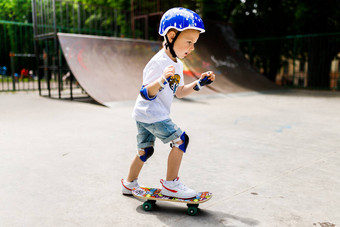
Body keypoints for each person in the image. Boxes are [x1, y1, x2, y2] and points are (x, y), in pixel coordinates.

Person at [121, 7, 215, 199]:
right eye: (188, 42)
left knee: (145, 151)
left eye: (194, 43)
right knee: (181, 140)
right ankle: (171, 184)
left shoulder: (178, 64)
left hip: (144, 114)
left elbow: (179, 92)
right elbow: (146, 92)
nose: (192, 48)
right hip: (152, 112)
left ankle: (129, 184)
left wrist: (199, 83)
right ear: (171, 36)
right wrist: (162, 79)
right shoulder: (157, 63)